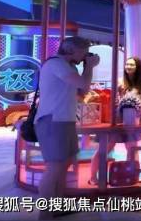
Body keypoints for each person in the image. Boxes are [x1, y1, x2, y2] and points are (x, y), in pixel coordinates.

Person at [35, 37, 100, 220]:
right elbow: (83, 84)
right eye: (83, 52)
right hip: (53, 121)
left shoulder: (69, 67)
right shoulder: (56, 64)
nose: (85, 55)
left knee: (64, 165)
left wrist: (87, 68)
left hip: (64, 120)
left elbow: (83, 91)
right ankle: (44, 214)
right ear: (72, 50)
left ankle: (57, 207)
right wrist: (90, 67)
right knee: (54, 168)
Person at [89, 56, 141, 185]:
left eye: (132, 65)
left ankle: (132, 176)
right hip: (116, 118)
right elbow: (113, 100)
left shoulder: (140, 83)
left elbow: (139, 103)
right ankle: (93, 177)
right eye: (127, 64)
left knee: (132, 148)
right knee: (106, 147)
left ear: (137, 67)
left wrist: (139, 118)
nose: (128, 66)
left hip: (131, 120)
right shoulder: (120, 81)